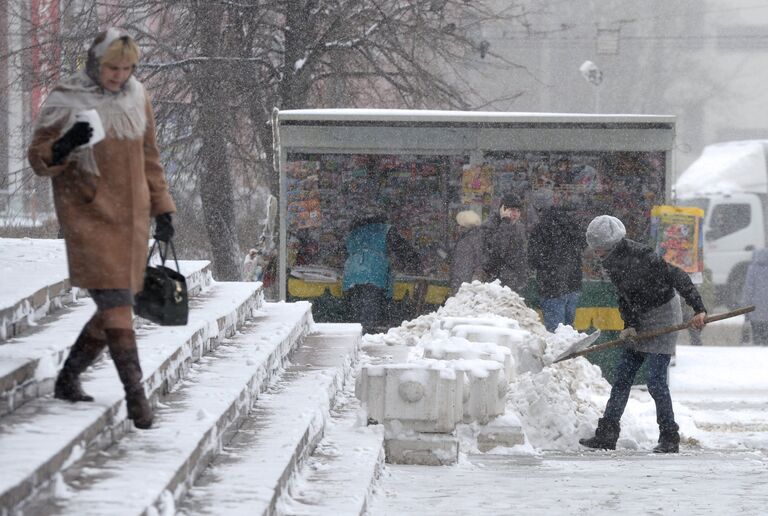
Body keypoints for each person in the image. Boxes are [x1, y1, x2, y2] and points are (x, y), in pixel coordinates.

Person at [27, 29, 177, 430]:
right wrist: (66, 144)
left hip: (132, 220)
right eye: (113, 67)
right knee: (116, 304)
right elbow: (39, 158)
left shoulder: (137, 95)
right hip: (88, 216)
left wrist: (163, 210)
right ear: (95, 61)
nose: (119, 75)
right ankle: (136, 397)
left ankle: (68, 376)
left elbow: (150, 157)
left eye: (127, 68)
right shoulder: (67, 97)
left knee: (115, 306)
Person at [578, 215, 707, 453]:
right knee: (622, 378)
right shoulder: (610, 261)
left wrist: (698, 308)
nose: (597, 253)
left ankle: (669, 437)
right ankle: (607, 435)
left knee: (656, 382)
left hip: (664, 314)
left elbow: (677, 276)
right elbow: (625, 296)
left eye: (600, 249)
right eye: (595, 248)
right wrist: (630, 325)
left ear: (612, 244)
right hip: (640, 318)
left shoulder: (642, 256)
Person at [342, 212, 421, 333]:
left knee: (355, 311)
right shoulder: (385, 230)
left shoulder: (353, 233)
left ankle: (354, 336)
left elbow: (341, 252)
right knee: (370, 312)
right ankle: (367, 336)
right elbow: (403, 249)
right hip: (374, 272)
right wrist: (416, 262)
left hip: (351, 274)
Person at [527, 191, 586, 332]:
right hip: (573, 284)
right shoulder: (570, 222)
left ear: (537, 208)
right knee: (568, 333)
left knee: (556, 334)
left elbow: (533, 260)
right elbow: (583, 244)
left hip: (552, 287)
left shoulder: (540, 229)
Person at [483, 193, 528, 293]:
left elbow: (521, 256)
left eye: (518, 211)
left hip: (514, 283)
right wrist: (505, 222)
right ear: (502, 209)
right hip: (496, 285)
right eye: (512, 210)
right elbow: (498, 251)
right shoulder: (490, 226)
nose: (515, 214)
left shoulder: (519, 227)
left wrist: (522, 279)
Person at [450, 210, 484, 294]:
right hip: (468, 285)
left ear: (463, 226)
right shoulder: (477, 238)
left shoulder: (465, 242)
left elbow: (462, 268)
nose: (457, 227)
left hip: (465, 287)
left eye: (458, 225)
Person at [741, 248, 768, 346]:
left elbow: (748, 289)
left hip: (755, 311)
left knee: (757, 338)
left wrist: (746, 304)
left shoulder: (752, 269)